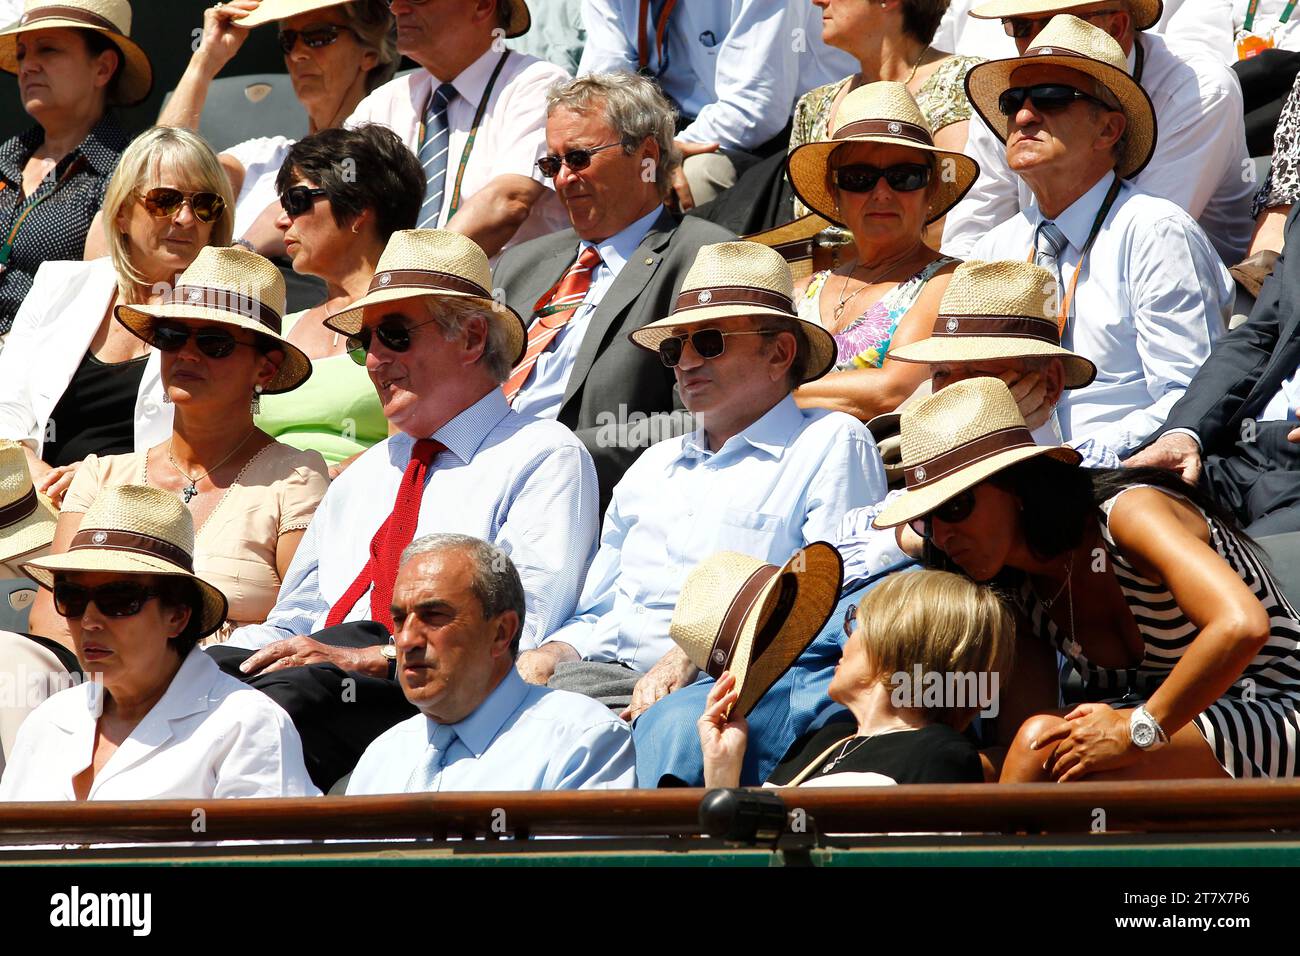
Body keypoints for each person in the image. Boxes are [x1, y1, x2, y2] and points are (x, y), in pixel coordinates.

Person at [631, 258, 1098, 788]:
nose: (956, 396)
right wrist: (912, 529)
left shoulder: (1090, 474)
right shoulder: (917, 473)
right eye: (943, 376)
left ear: (1049, 384)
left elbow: (1026, 738)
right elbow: (832, 563)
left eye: (980, 375)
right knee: (680, 719)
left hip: (926, 680)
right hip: (837, 654)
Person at [211, 229, 600, 790]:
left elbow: (517, 631)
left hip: (427, 691)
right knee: (183, 686)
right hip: (321, 683)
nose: (373, 361)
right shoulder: (360, 476)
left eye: (393, 335)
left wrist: (370, 658)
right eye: (363, 341)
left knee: (271, 709)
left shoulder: (542, 455)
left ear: (470, 338)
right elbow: (294, 620)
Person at [519, 240, 887, 716]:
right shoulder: (651, 465)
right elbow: (598, 610)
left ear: (779, 353)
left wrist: (698, 651)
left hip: (723, 694)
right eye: (675, 347)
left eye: (709, 342)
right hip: (598, 685)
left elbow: (833, 601)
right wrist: (551, 652)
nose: (687, 362)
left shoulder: (831, 443)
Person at [872, 376, 1300, 781]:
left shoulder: (1130, 514)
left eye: (955, 507)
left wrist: (1139, 729)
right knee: (1004, 759)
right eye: (927, 520)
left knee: (1042, 748)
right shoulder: (1017, 588)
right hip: (1166, 727)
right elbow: (1023, 733)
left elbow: (1241, 626)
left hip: (1278, 704)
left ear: (1018, 489)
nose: (943, 534)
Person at [25, 246, 329, 646]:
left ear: (265, 367)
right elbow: (51, 621)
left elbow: (307, 620)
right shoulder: (102, 476)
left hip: (234, 693)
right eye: (172, 335)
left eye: (214, 342)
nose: (186, 353)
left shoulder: (295, 478)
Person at [964, 16, 1231, 462]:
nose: (1025, 115)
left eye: (1051, 98)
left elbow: (1188, 399)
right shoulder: (993, 250)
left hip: (1129, 475)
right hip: (1013, 487)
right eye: (1013, 102)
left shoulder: (1154, 232)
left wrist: (1076, 458)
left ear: (1109, 130)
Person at [492, 72, 734, 505]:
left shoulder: (706, 258)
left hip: (588, 500)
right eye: (552, 164)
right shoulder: (520, 264)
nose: (563, 179)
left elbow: (703, 419)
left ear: (645, 156)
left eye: (579, 158)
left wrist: (550, 455)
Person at [0, 484, 319, 800]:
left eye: (119, 599)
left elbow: (261, 852)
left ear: (178, 616)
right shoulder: (49, 720)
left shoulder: (247, 726)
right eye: (72, 596)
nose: (88, 621)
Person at [0, 125, 234, 506]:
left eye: (205, 205)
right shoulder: (61, 283)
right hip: (36, 501)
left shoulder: (224, 313)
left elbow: (220, 442)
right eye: (165, 200)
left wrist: (100, 479)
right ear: (122, 212)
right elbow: (6, 407)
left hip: (146, 515)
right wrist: (40, 479)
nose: (186, 219)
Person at [944, 0, 1254, 267]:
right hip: (1040, 287)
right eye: (1021, 27)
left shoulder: (1199, 91)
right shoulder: (1011, 96)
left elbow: (1144, 243)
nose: (1038, 44)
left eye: (1059, 24)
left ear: (1117, 27)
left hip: (1188, 295)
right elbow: (969, 238)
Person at [347, 534, 635, 793]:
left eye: (434, 615)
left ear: (501, 633)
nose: (406, 639)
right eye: (399, 620)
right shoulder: (381, 758)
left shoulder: (581, 741)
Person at [700, 568, 1012, 788]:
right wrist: (722, 768)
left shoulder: (941, 753)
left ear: (896, 643)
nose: (845, 641)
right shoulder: (822, 742)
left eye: (854, 624)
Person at [784, 82, 974, 422]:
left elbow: (891, 390)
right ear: (835, 191)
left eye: (904, 176)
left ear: (929, 189)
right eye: (860, 177)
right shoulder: (801, 290)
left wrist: (772, 392)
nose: (882, 193)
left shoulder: (947, 282)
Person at [157, 0, 397, 252]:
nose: (297, 54)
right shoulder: (262, 156)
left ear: (369, 53)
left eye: (318, 36)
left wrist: (246, 248)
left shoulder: (382, 160)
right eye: (289, 40)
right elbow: (158, 173)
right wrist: (205, 60)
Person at [578, 0, 857, 210]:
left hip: (793, 133)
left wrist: (662, 153)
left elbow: (755, 108)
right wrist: (622, 155)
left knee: (697, 175)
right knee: (585, 168)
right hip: (678, 126)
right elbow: (602, 91)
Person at [257, 123, 424, 472]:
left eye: (296, 201)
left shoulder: (415, 322)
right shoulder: (277, 329)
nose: (280, 221)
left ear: (359, 208)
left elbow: (414, 449)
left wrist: (321, 486)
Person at [1125, 205, 1300, 536]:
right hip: (1243, 449)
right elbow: (1258, 337)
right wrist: (1184, 432)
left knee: (1251, 565)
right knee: (1098, 518)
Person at [345, 0, 570, 258]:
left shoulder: (536, 83)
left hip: (501, 294)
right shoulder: (384, 102)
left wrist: (411, 276)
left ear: (483, 5)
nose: (397, 8)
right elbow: (331, 199)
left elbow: (509, 201)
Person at [0, 0, 151, 335]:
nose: (27, 66)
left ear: (103, 68)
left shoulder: (125, 171)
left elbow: (104, 308)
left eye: (48, 50)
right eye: (23, 53)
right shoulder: (5, 158)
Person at [790, 0, 984, 240]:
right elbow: (802, 234)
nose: (817, 1)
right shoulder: (814, 105)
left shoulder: (962, 80)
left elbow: (958, 216)